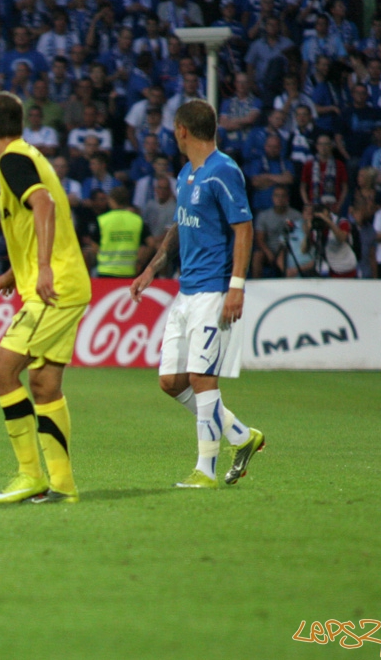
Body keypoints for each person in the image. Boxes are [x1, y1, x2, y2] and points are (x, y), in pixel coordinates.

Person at [130, 99, 264, 489]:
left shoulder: (224, 171)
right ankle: (241, 435)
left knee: (202, 377)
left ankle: (205, 470)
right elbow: (178, 227)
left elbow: (244, 228)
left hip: (214, 289)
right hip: (186, 290)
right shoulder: (187, 173)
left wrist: (235, 287)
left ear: (182, 130)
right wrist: (152, 269)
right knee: (171, 381)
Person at [0, 91, 91, 505]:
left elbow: (42, 204)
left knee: (1, 371)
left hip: (53, 288)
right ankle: (62, 484)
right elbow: (39, 215)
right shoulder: (29, 155)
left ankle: (29, 474)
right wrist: (15, 271)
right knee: (44, 384)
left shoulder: (11, 161)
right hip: (65, 284)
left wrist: (41, 268)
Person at [95, 186, 153, 278]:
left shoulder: (102, 220)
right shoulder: (137, 220)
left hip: (106, 271)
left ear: (112, 200)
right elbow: (151, 244)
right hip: (129, 271)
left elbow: (95, 245)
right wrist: (140, 262)